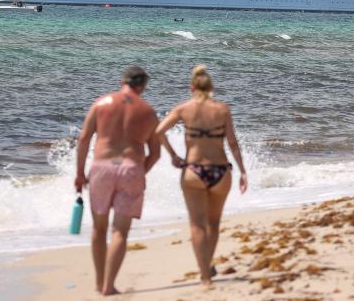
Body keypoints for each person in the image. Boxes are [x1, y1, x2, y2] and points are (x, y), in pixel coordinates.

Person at [155, 64, 248, 287]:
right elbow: (233, 144)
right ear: (211, 87)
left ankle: (205, 277)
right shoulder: (222, 110)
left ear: (191, 87)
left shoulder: (183, 109)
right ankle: (208, 263)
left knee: (197, 225)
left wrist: (173, 155)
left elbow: (158, 131)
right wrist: (243, 171)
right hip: (220, 171)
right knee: (213, 223)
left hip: (193, 172)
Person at [75, 65, 160, 296]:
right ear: (143, 86)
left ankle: (98, 282)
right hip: (131, 169)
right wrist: (140, 172)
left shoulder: (101, 103)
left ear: (122, 81)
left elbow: (83, 139)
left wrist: (80, 174)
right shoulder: (148, 111)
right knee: (120, 232)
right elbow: (155, 153)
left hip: (102, 168)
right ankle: (109, 285)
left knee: (98, 229)